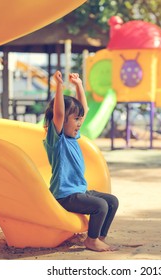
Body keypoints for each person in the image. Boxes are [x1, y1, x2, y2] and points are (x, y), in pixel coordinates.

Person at [43, 71, 119, 252]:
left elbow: (83, 110)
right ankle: (91, 241)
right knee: (99, 205)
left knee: (111, 201)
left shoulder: (73, 136)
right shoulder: (57, 140)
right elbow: (60, 114)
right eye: (75, 119)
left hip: (79, 190)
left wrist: (79, 86)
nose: (79, 123)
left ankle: (98, 237)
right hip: (65, 195)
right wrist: (60, 86)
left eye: (80, 119)